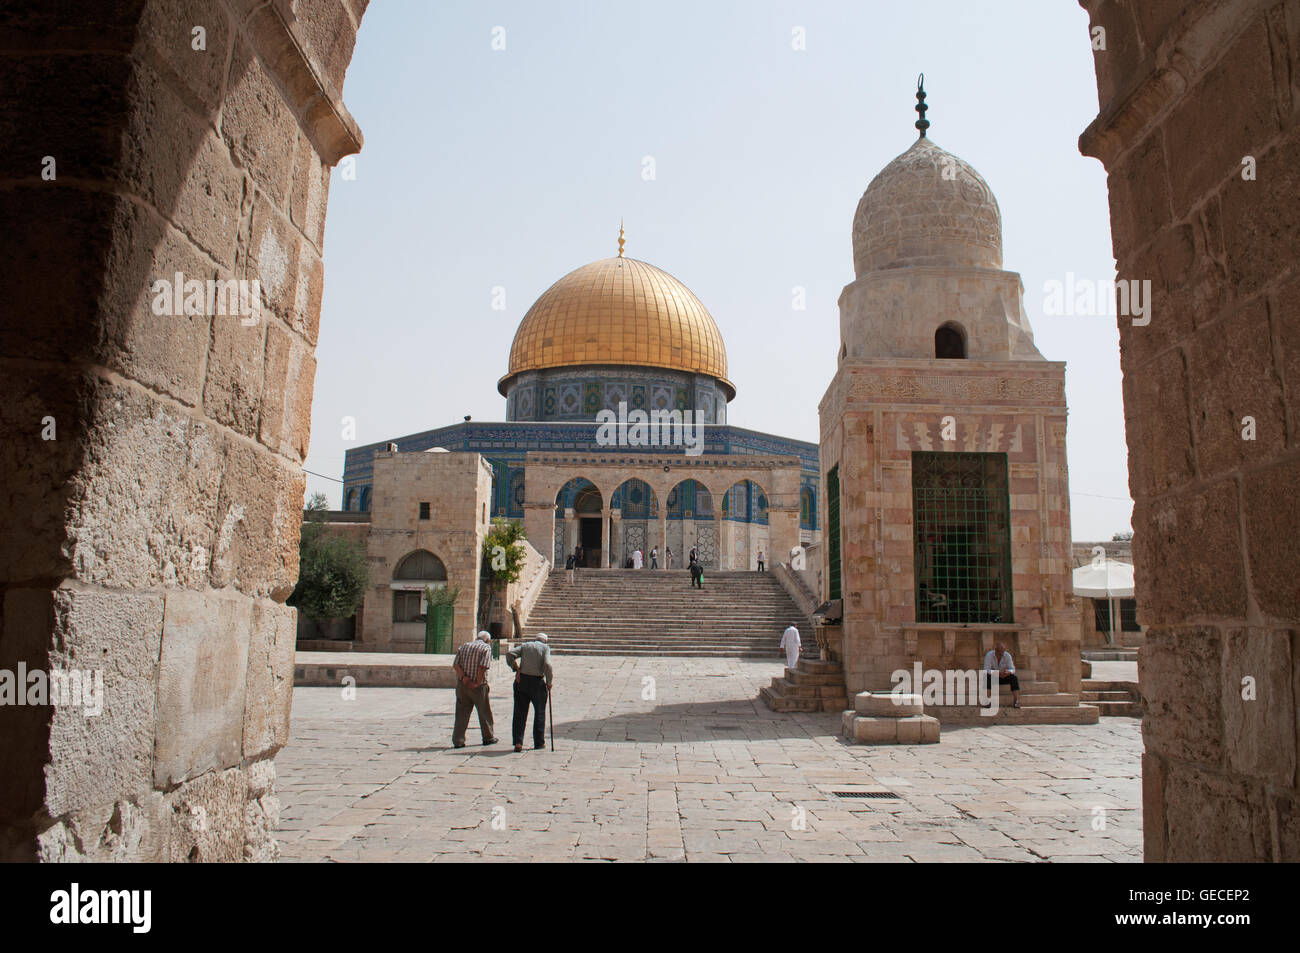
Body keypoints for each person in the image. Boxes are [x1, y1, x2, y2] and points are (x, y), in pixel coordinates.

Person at [507, 632, 554, 751]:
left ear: (536, 639)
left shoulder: (526, 645)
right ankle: (539, 742)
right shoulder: (545, 648)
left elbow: (510, 654)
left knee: (519, 712)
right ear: (545, 641)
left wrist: (516, 669)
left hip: (521, 680)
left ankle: (518, 742)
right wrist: (549, 681)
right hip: (537, 682)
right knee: (539, 712)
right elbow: (548, 664)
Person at [452, 631, 497, 748]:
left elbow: (456, 664)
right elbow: (483, 667)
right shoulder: (486, 648)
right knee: (484, 712)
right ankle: (488, 737)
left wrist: (464, 679)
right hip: (479, 687)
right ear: (487, 640)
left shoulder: (465, 646)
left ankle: (458, 740)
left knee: (461, 713)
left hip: (462, 685)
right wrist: (477, 682)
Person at [982, 641, 1020, 708]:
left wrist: (1008, 672)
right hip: (993, 677)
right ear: (995, 650)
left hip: (1004, 676)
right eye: (999, 651)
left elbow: (1013, 669)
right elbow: (986, 669)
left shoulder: (1007, 655)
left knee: (1014, 678)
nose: (1001, 653)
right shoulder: (989, 655)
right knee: (987, 677)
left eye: (1003, 651)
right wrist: (997, 673)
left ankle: (1016, 701)